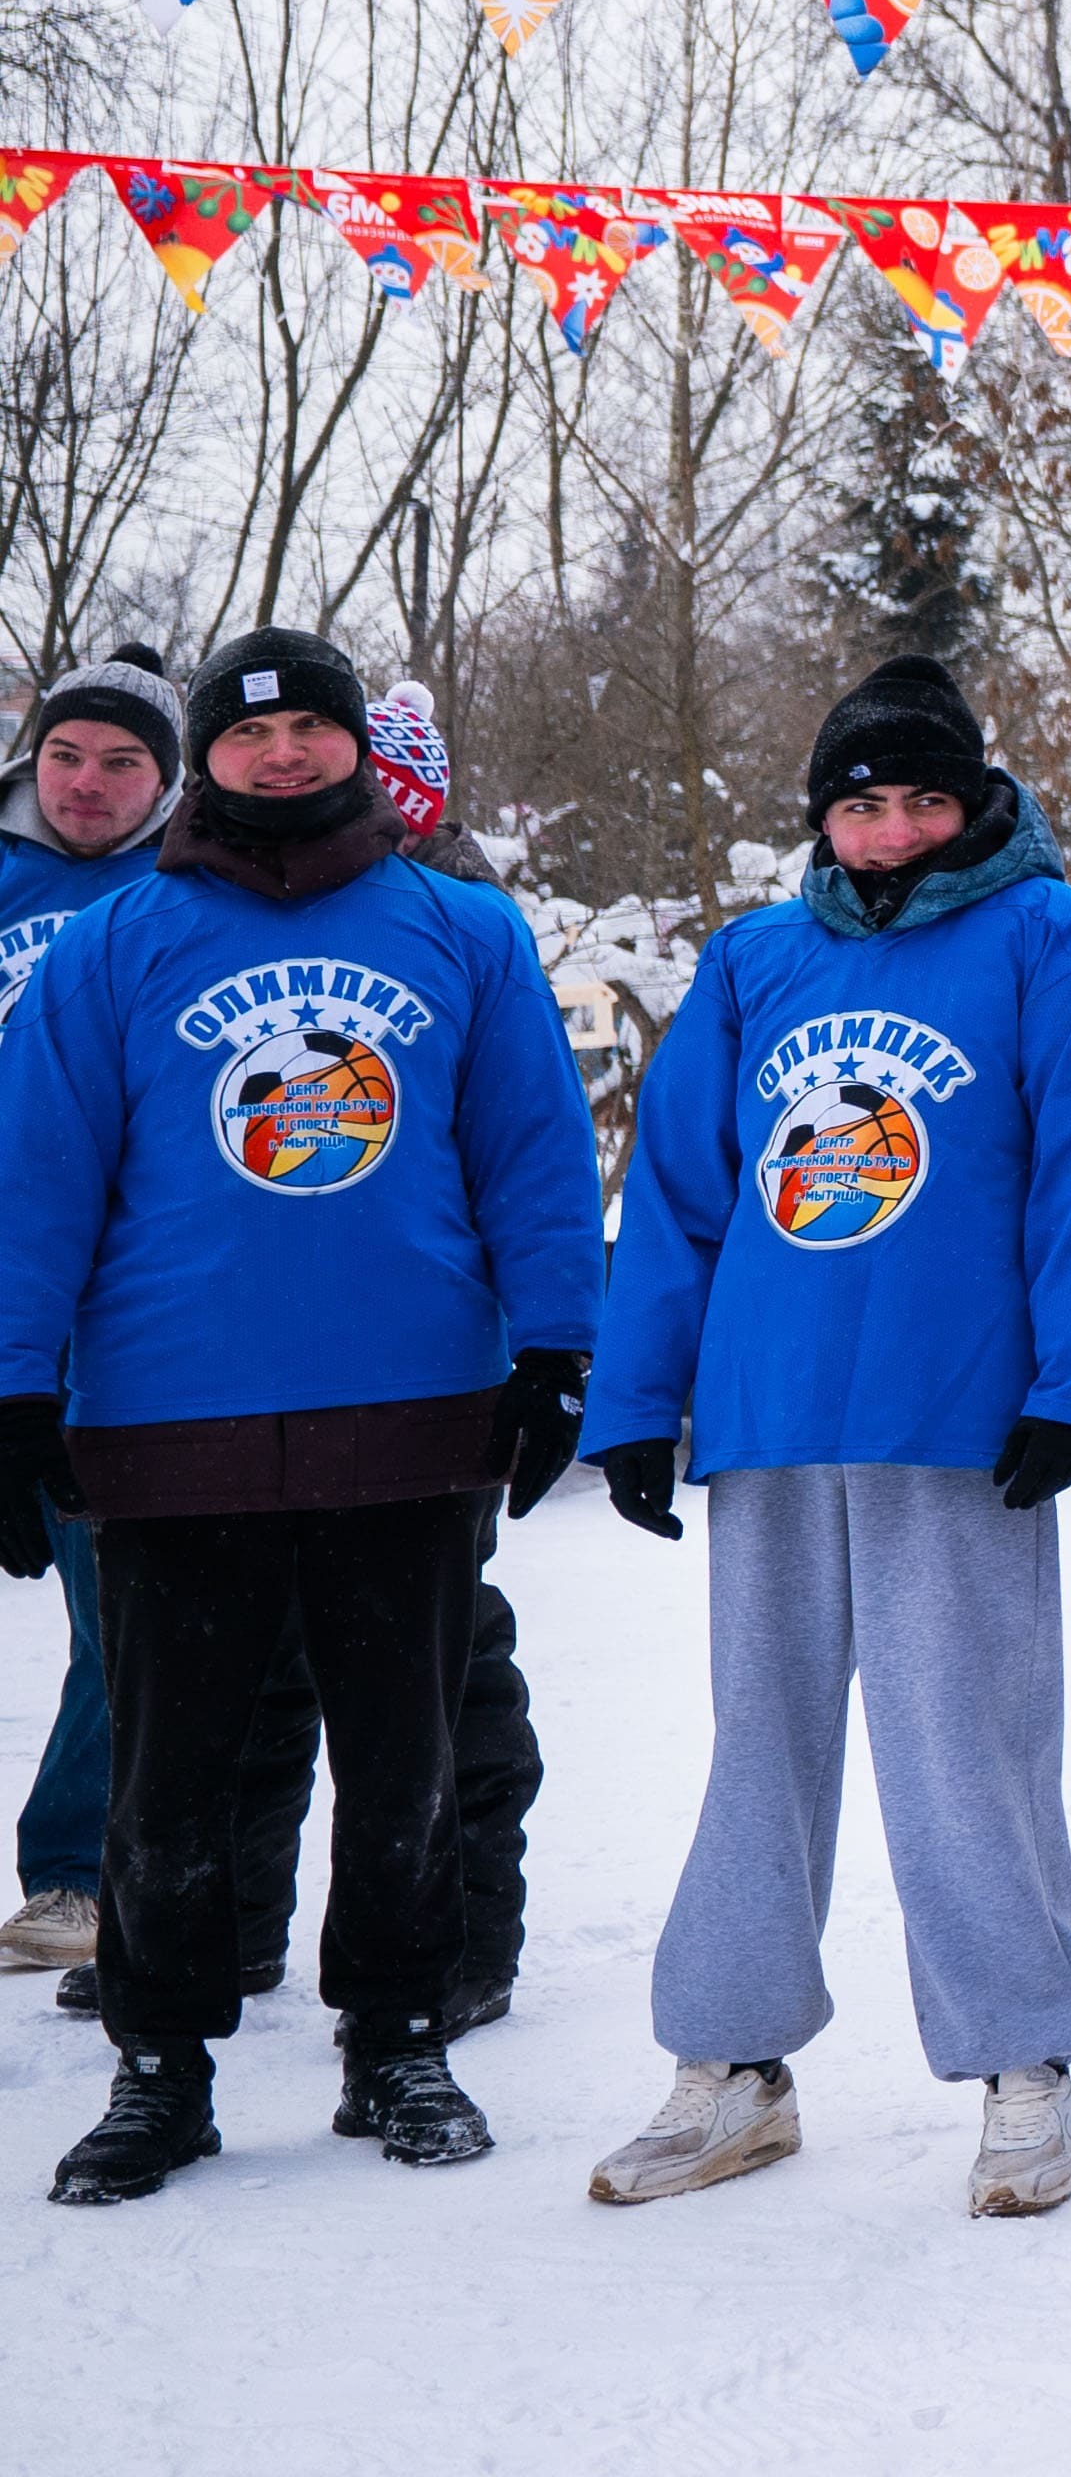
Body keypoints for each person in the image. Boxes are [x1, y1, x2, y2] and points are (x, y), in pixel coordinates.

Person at [0, 627, 600, 2205]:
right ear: (211, 757)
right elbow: (41, 1179)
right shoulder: (118, 944)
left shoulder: (461, 933)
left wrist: (552, 1351)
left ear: (353, 744)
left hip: (405, 1414)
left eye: (309, 732)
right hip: (171, 1422)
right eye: (249, 737)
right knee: (172, 1774)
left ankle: (396, 2035)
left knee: (400, 1754)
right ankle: (162, 2067)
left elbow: (532, 1152)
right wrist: (11, 1380)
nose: (280, 759)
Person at [577, 657, 1071, 2221]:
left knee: (963, 1744)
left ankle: (1024, 2061)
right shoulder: (758, 962)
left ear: (972, 803)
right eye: (861, 802)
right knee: (756, 1747)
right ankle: (733, 2065)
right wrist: (639, 1403)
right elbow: (684, 1201)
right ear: (822, 818)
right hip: (772, 1421)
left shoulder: (1052, 939)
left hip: (952, 1417)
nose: (892, 830)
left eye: (922, 799)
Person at [0, 643, 184, 1990]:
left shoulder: (187, 890)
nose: (88, 784)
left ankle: (74, 1866)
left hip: (100, 1293)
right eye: (68, 754)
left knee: (111, 1585)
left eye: (123, 762)